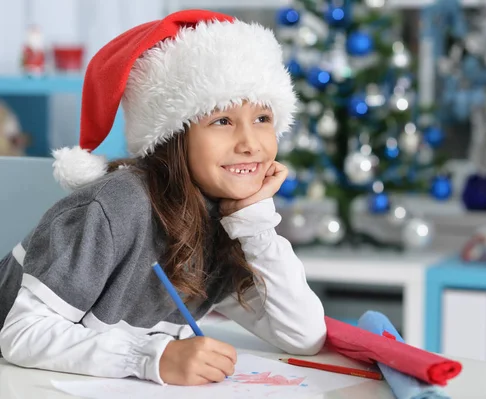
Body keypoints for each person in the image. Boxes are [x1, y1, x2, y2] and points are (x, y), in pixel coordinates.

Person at [0, 9, 326, 386]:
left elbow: (303, 335)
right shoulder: (116, 207)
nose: (250, 144)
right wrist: (150, 357)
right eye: (222, 121)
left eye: (263, 119)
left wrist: (256, 224)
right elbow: (20, 332)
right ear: (174, 134)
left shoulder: (222, 217)